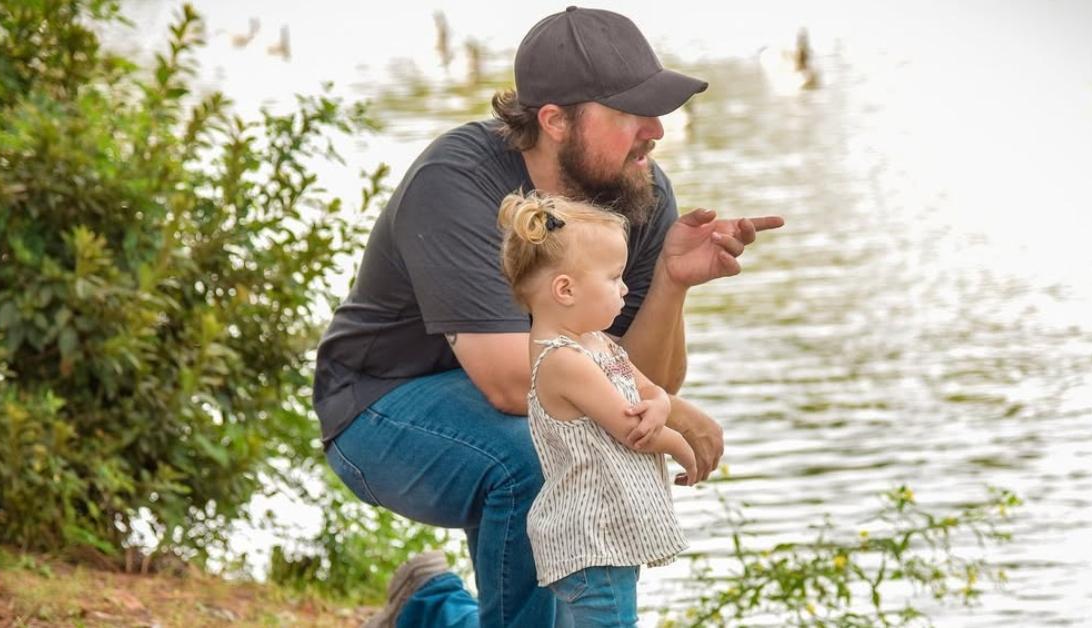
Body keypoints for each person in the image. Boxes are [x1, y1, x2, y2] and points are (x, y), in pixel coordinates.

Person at [313, 6, 783, 627]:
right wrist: (671, 418)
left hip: (503, 400)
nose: (656, 131)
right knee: (540, 452)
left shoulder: (638, 190)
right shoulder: (456, 181)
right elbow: (515, 385)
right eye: (630, 113)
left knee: (598, 434)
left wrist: (671, 282)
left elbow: (641, 381)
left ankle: (427, 609)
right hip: (378, 410)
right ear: (555, 120)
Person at [499, 190, 700, 625]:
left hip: (609, 535)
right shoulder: (564, 362)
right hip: (591, 541)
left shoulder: (597, 343)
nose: (625, 288)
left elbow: (651, 392)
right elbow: (633, 428)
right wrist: (681, 444)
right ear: (565, 290)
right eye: (613, 278)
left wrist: (662, 405)